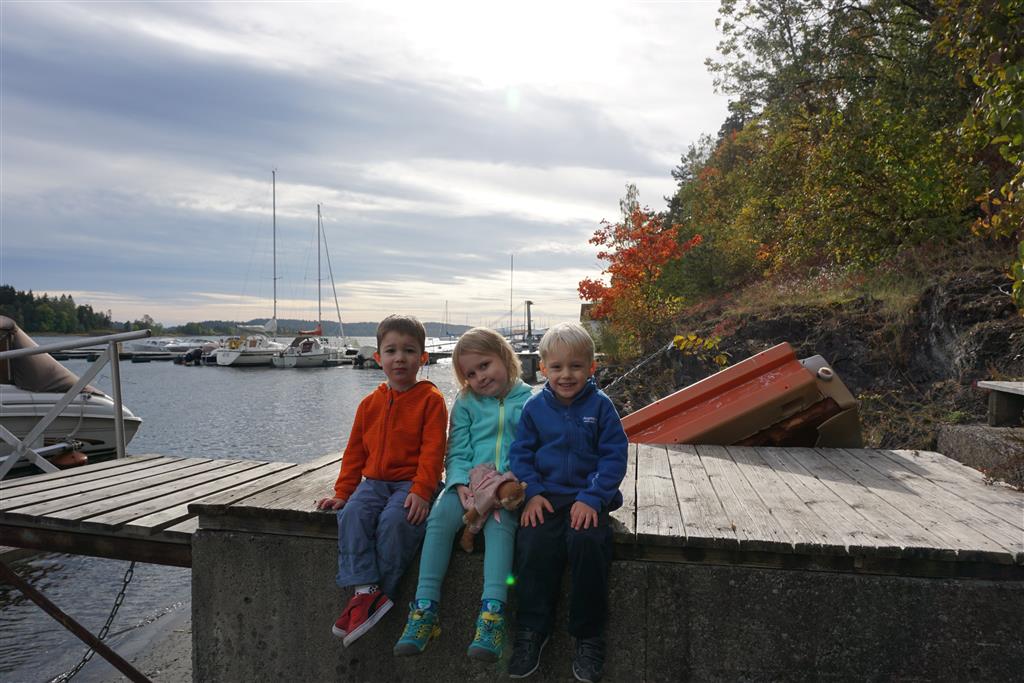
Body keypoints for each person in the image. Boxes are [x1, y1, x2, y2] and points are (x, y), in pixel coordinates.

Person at [393, 327, 533, 662]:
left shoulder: (531, 401)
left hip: (506, 486)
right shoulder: (467, 402)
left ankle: (492, 616)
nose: (480, 377)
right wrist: (459, 485)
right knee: (439, 518)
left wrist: (507, 485)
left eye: (485, 366)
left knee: (500, 526)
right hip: (468, 482)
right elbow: (456, 450)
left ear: (504, 356)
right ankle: (424, 608)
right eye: (470, 374)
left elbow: (534, 450)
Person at [316, 314, 448, 647]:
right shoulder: (369, 404)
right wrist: (343, 492)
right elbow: (354, 453)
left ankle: (380, 593)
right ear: (378, 358)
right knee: (352, 514)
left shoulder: (431, 401)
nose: (399, 358)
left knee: (395, 520)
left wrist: (423, 490)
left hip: (412, 482)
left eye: (409, 350)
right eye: (391, 351)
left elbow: (433, 451)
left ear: (423, 358)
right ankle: (365, 591)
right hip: (374, 483)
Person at [507, 321, 628, 683]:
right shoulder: (534, 408)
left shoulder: (601, 407)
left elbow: (614, 456)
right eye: (557, 367)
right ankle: (532, 629)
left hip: (588, 496)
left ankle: (588, 635)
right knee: (533, 543)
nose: (566, 375)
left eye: (575, 366)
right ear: (543, 368)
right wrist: (532, 492)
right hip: (546, 495)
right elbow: (521, 455)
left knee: (587, 543)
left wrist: (593, 497)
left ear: (591, 367)